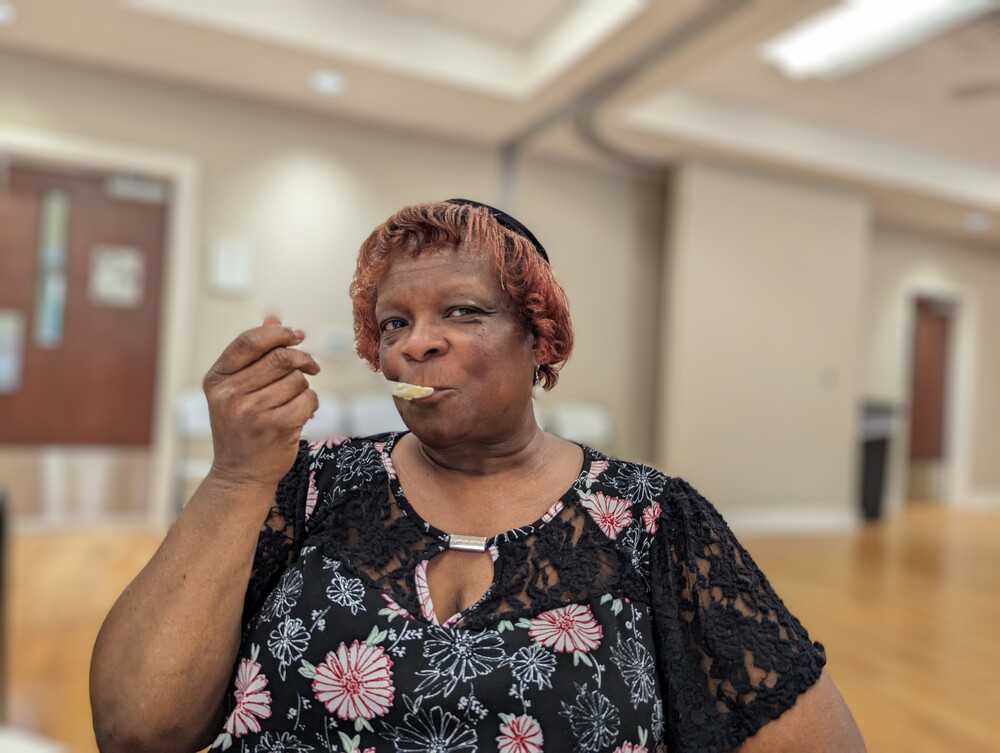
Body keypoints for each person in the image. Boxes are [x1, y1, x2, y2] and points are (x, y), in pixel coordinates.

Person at [90, 199, 866, 753]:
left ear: (540, 339)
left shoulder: (653, 519)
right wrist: (235, 477)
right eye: (394, 323)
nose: (414, 345)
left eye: (462, 312)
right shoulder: (303, 485)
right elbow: (136, 727)